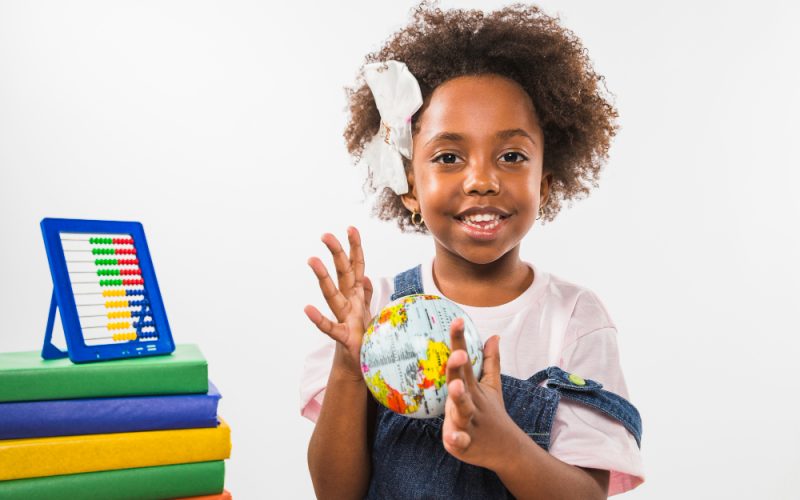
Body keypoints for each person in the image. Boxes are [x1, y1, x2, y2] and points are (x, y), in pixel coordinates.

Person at [300, 3, 644, 498]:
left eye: (511, 156)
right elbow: (336, 493)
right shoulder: (375, 312)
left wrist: (507, 448)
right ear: (410, 188)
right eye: (448, 157)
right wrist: (349, 369)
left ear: (544, 185)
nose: (481, 179)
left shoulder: (572, 319)